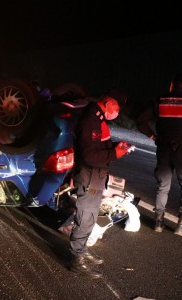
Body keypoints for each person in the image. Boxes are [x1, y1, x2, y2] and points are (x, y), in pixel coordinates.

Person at [135, 73, 182, 238]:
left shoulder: (159, 100)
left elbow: (140, 120)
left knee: (163, 185)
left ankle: (158, 222)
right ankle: (181, 226)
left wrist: (153, 136)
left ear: (171, 85)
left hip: (163, 149)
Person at [69, 88, 131, 278]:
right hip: (88, 175)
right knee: (85, 216)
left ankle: (82, 249)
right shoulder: (91, 119)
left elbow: (97, 146)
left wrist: (114, 147)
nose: (117, 112)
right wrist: (114, 154)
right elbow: (88, 155)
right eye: (117, 107)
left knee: (91, 217)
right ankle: (76, 258)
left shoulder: (99, 119)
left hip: (96, 176)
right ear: (109, 103)